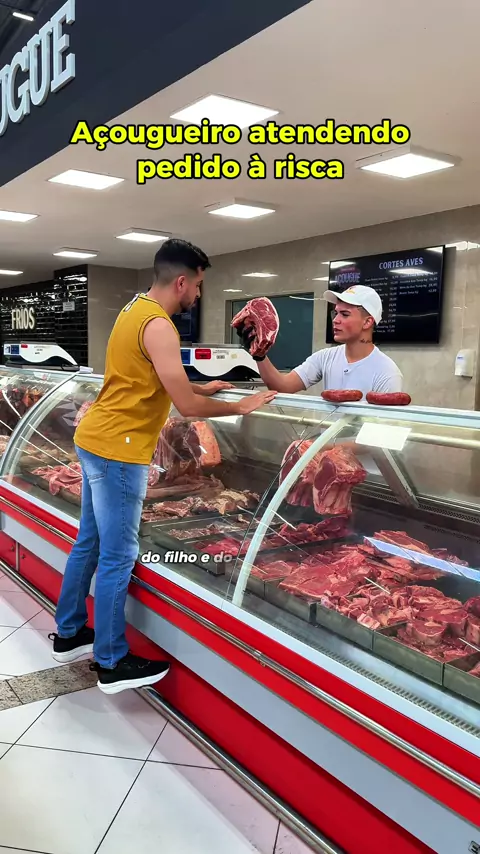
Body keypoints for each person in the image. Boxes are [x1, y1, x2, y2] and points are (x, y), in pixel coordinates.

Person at [50, 238, 276, 695]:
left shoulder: (134, 310)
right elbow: (186, 408)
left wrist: (203, 387)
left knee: (90, 540)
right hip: (119, 449)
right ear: (182, 281)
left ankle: (70, 632)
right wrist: (240, 406)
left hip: (95, 439)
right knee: (118, 555)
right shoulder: (160, 325)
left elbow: (148, 376)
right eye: (199, 285)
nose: (199, 294)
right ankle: (111, 662)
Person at [238, 285, 403, 397]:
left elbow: (380, 432)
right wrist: (259, 355)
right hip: (327, 441)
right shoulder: (325, 357)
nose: (335, 320)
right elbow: (283, 387)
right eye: (335, 313)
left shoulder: (386, 372)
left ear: (367, 322)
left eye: (345, 314)